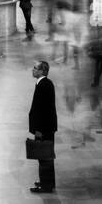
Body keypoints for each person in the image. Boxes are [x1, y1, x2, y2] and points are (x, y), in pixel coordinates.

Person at [28, 61, 58, 193]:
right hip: (47, 127)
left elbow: (43, 110)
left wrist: (38, 130)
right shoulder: (45, 83)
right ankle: (48, 182)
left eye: (35, 68)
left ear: (42, 71)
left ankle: (45, 186)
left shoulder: (43, 86)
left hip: (43, 128)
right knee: (46, 156)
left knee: (44, 157)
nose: (32, 70)